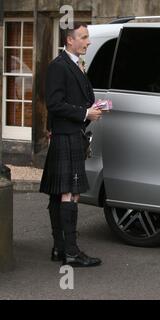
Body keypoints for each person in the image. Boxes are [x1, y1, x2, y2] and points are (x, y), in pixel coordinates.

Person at [40, 22, 103, 267]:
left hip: (68, 133)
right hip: (67, 134)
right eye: (84, 37)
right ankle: (72, 252)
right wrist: (85, 113)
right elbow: (54, 103)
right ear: (70, 40)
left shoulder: (74, 63)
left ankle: (60, 248)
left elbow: (61, 101)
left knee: (60, 193)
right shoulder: (59, 66)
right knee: (70, 193)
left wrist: (92, 108)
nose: (88, 42)